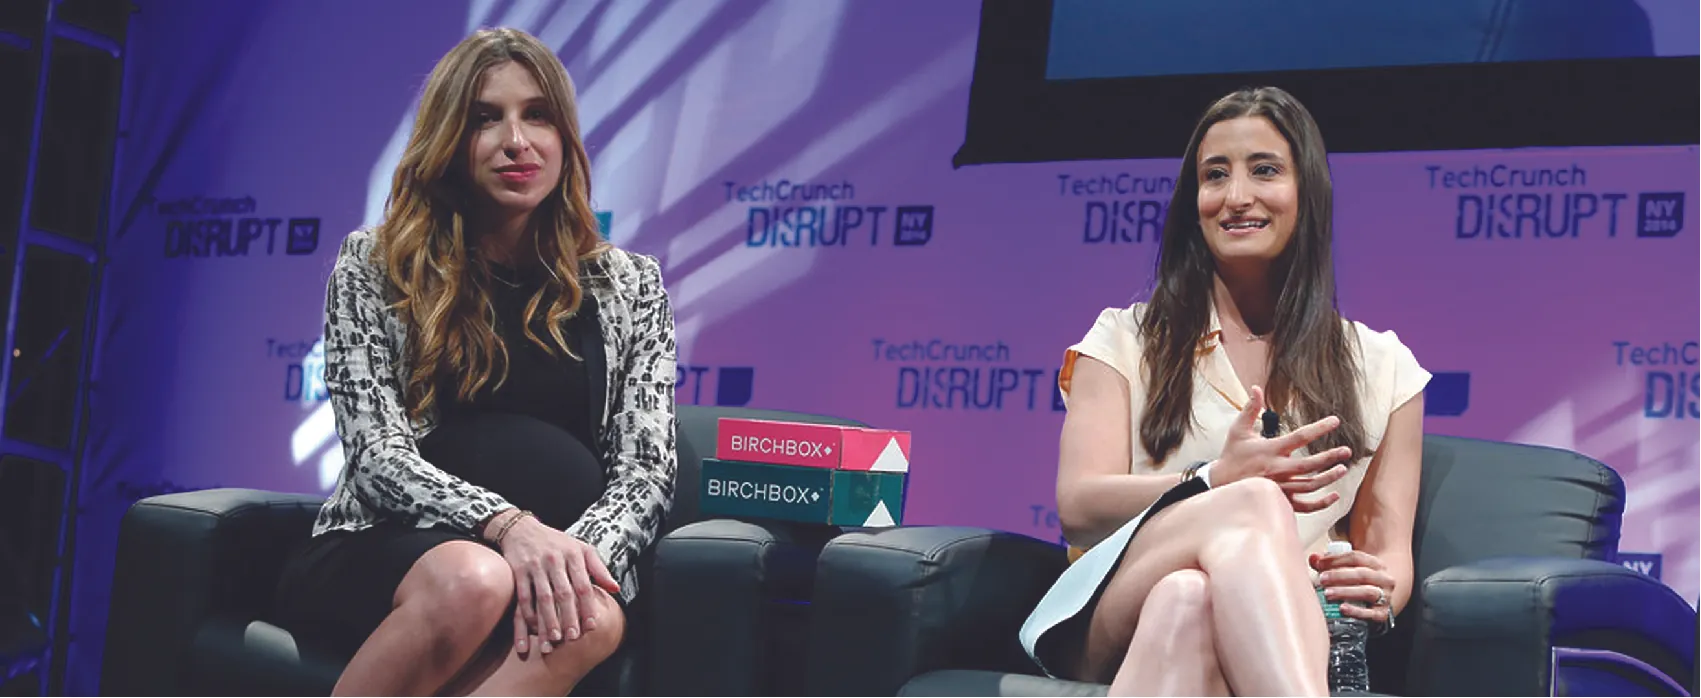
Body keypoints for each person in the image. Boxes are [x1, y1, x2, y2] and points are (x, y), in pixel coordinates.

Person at [273, 27, 677, 697]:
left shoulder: (630, 286)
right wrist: (507, 527)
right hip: (392, 544)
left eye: (536, 115)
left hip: (551, 558)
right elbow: (377, 457)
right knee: (473, 579)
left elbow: (645, 469)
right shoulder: (374, 266)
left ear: (564, 139)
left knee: (592, 616)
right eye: (485, 119)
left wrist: (571, 562)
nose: (515, 140)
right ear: (449, 144)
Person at [1018, 86, 1429, 696]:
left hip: (1287, 618)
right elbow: (1077, 506)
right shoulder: (1123, 339)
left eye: (1264, 170)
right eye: (1215, 176)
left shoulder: (1384, 366)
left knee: (1187, 602)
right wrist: (1215, 480)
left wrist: (1378, 587)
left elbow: (1389, 553)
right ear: (1195, 201)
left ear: (1307, 192)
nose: (1236, 197)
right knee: (1254, 504)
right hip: (1111, 605)